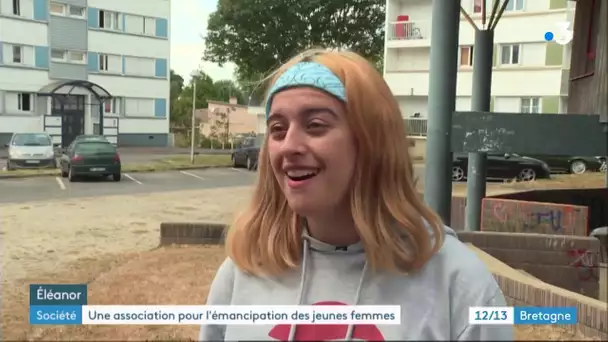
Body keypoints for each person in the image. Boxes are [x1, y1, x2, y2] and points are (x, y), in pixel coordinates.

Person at [199, 49, 514, 341]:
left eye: (315, 125)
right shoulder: (243, 270)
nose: (289, 146)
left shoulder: (457, 283)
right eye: (278, 129)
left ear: (372, 142)